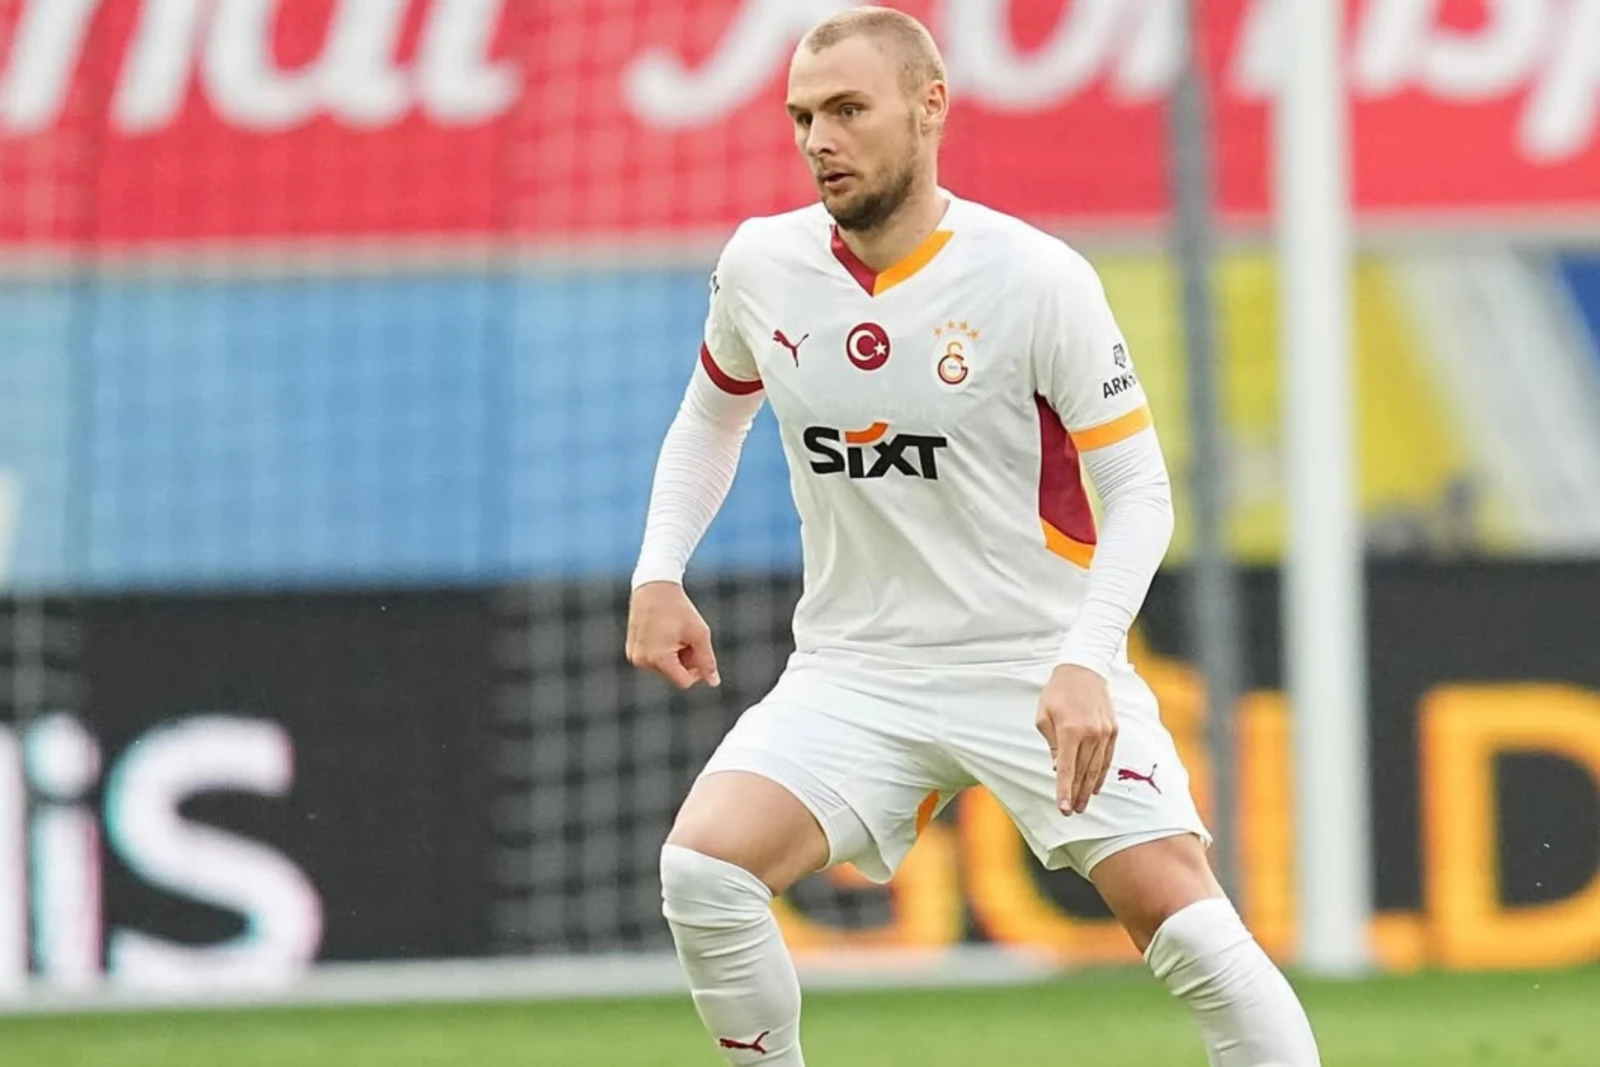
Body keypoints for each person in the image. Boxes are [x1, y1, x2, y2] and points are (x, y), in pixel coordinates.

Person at [625, 8, 1322, 1066]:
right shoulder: (761, 264)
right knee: (704, 870)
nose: (819, 140)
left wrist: (1085, 657)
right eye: (802, 116)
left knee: (1178, 915)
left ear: (928, 106)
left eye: (848, 110)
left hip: (1031, 654)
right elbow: (711, 415)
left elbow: (1139, 488)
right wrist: (658, 570)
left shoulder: (1035, 278)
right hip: (858, 667)